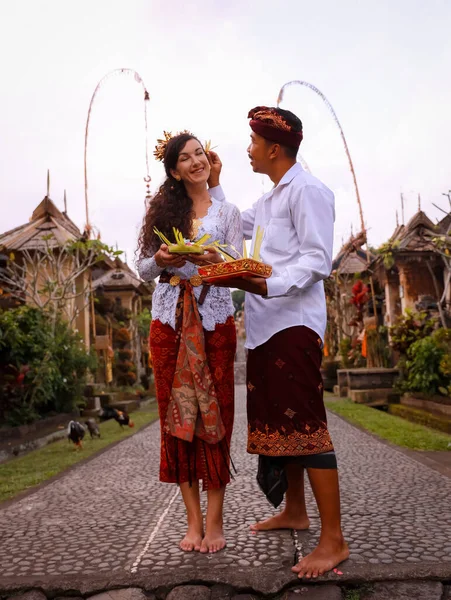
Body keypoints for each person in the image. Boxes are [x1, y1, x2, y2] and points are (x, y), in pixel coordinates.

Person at [208, 106, 349, 578]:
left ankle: (334, 540)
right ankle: (295, 510)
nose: (247, 150)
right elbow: (233, 228)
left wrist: (265, 283)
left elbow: (316, 260)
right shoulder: (269, 201)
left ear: (273, 148)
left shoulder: (309, 191)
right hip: (266, 327)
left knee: (306, 425)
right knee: (281, 426)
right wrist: (214, 183)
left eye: (251, 142)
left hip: (295, 324)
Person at [136, 131, 242, 554]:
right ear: (174, 170)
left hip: (215, 319)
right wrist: (162, 259)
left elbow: (238, 268)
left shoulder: (228, 211)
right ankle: (192, 522)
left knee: (216, 414)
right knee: (175, 418)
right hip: (168, 320)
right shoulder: (162, 212)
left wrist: (215, 262)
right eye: (186, 157)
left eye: (200, 153)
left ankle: (215, 521)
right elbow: (143, 269)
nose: (196, 161)